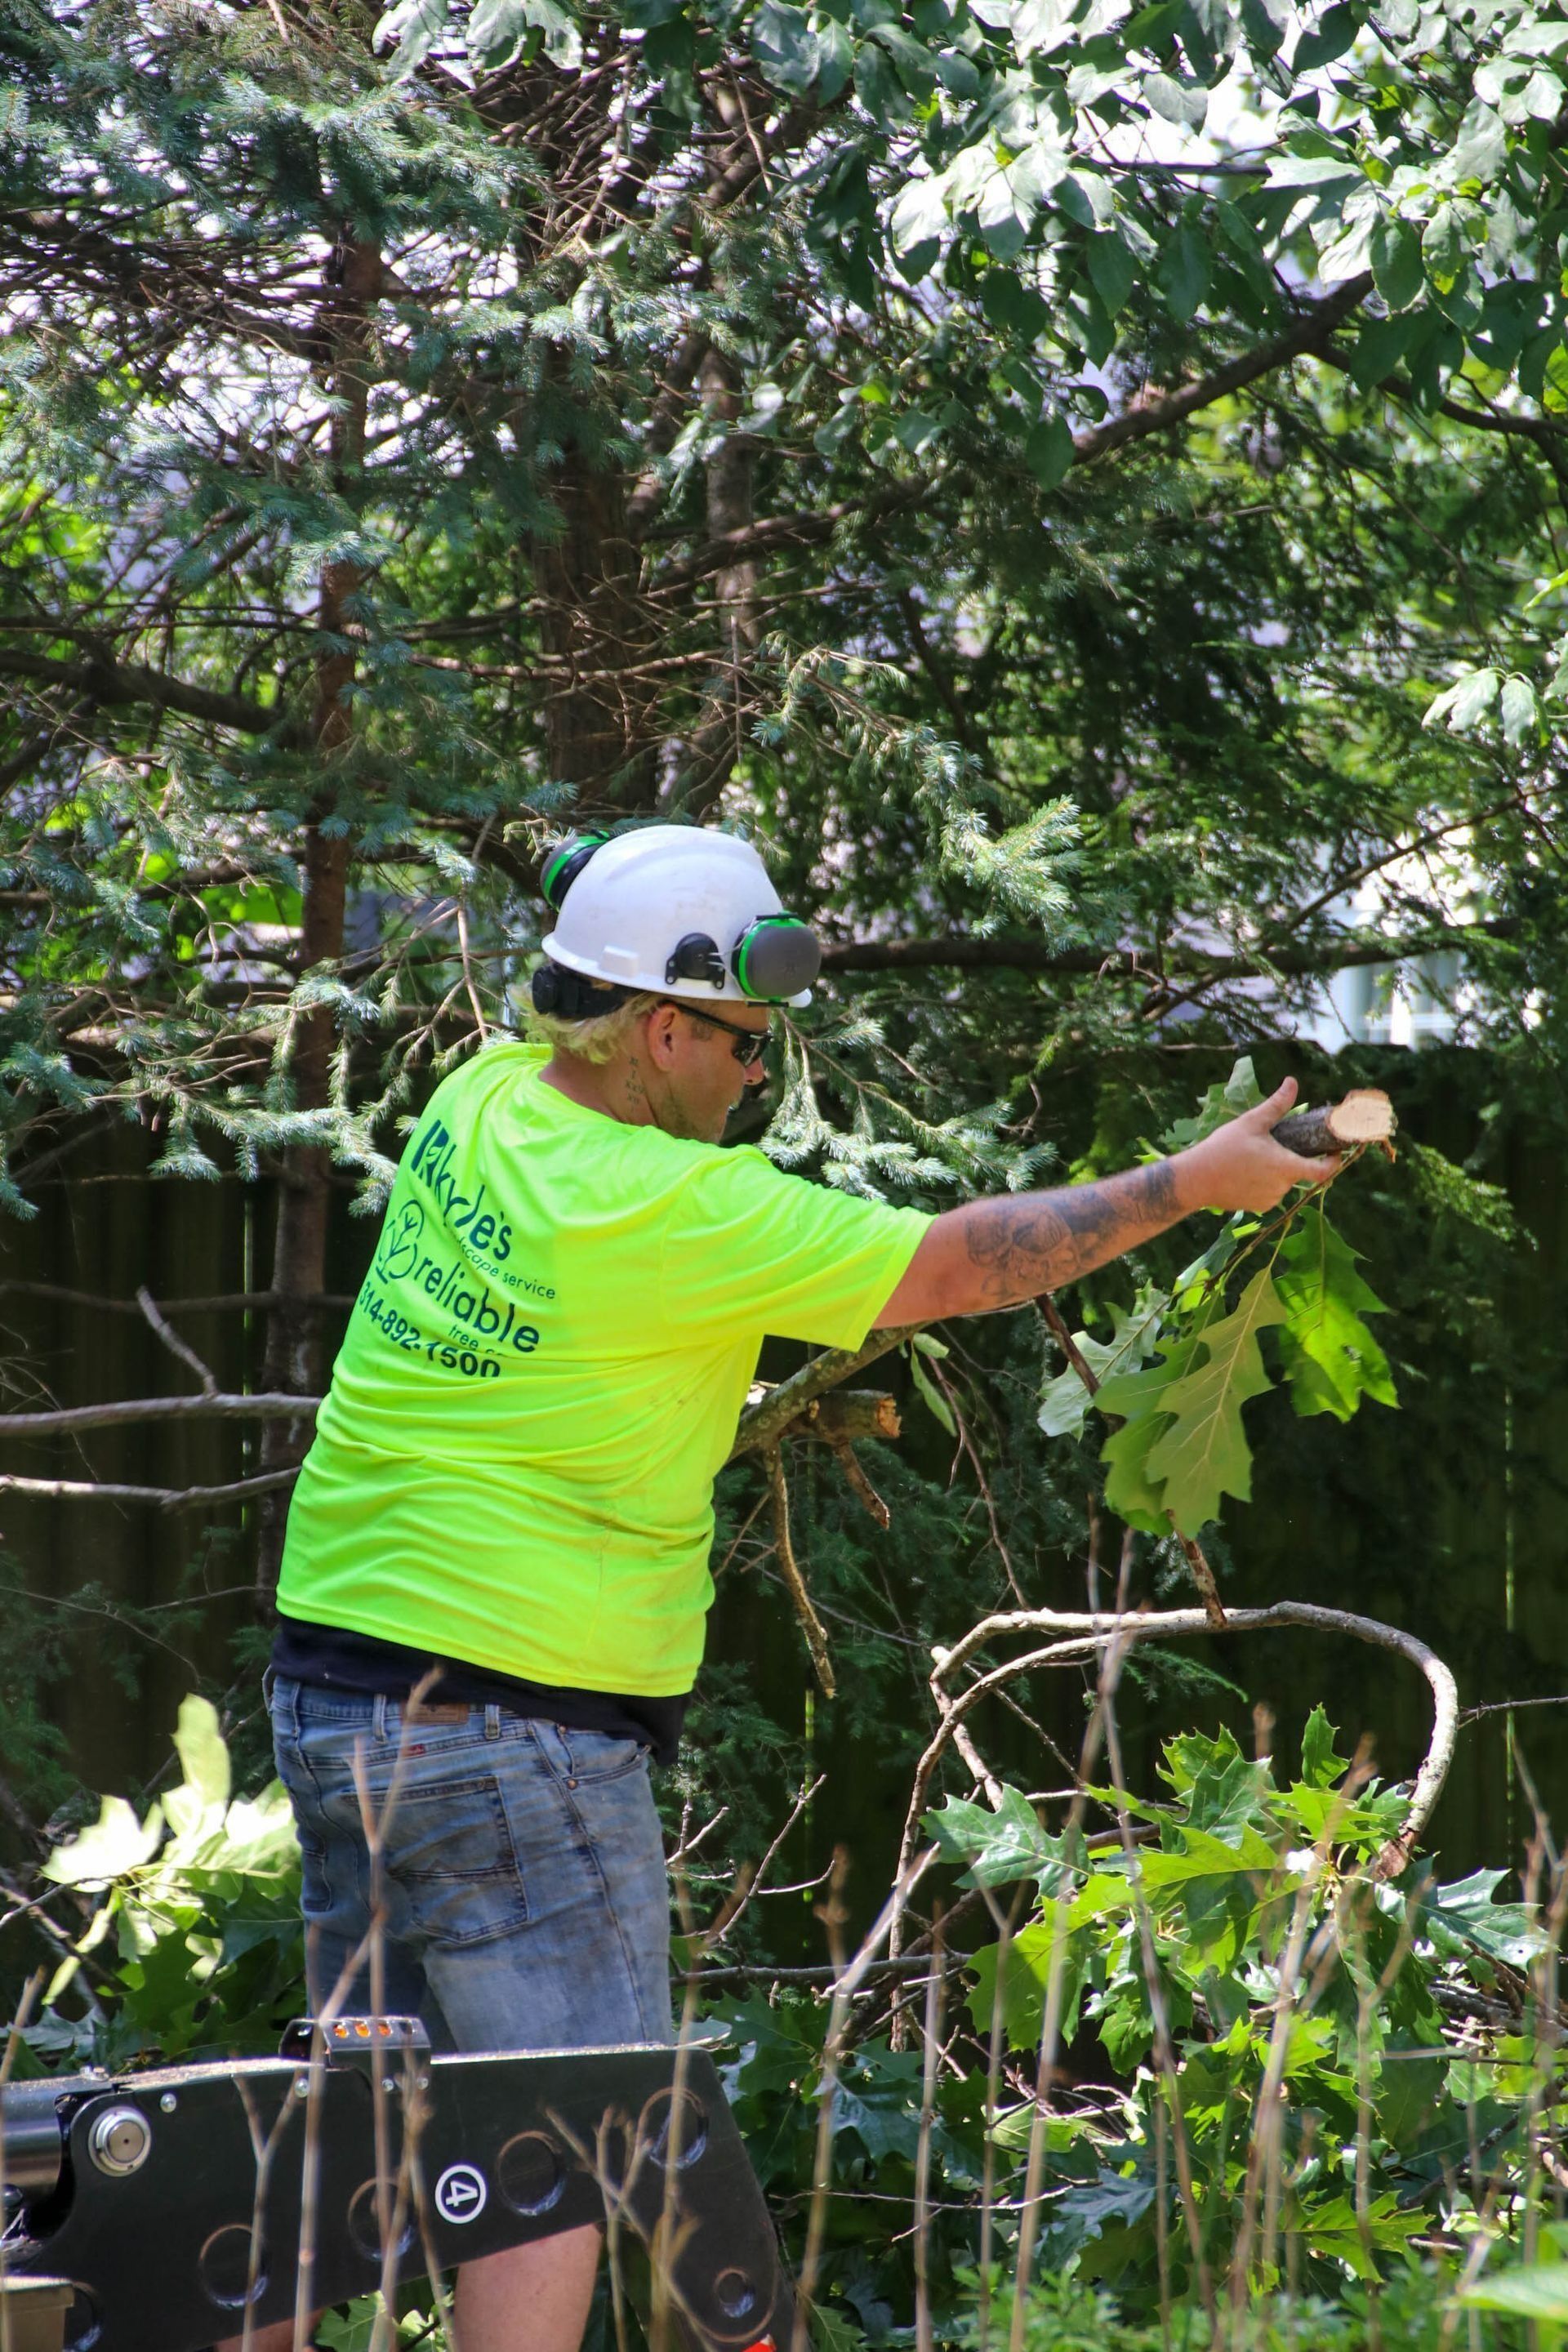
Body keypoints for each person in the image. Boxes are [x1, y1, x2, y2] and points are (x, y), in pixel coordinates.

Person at [247, 825, 1331, 2352]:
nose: (761, 1080)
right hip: (513, 1723)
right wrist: (1186, 1184)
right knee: (555, 2143)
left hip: (334, 1690)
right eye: (747, 1047)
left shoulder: (477, 1103)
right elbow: (964, 1264)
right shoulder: (678, 1210)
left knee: (349, 2114)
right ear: (665, 1029)